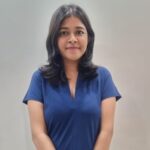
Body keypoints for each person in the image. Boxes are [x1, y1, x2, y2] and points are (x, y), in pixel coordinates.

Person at [22, 4, 122, 150]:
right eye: (64, 33)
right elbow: (38, 134)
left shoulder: (103, 77)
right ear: (54, 39)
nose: (73, 39)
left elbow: (106, 132)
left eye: (79, 32)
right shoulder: (39, 79)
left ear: (89, 38)